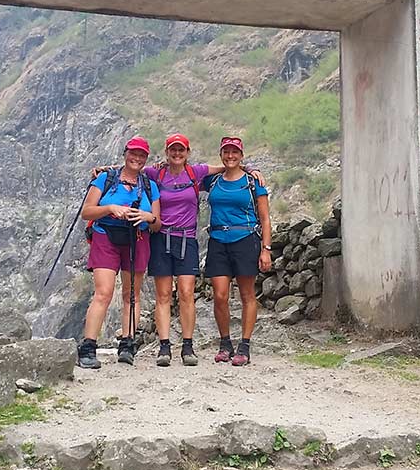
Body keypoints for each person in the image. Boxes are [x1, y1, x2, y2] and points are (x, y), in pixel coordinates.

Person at [106, 134, 265, 367]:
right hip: (160, 238)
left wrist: (250, 168)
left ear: (187, 152)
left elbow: (227, 165)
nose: (177, 154)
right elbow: (131, 169)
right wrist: (105, 170)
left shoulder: (196, 172)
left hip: (187, 239)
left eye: (181, 150)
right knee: (163, 296)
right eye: (173, 150)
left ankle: (188, 347)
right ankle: (164, 346)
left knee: (187, 293)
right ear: (167, 152)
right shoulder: (155, 173)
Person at [75, 137, 161, 370]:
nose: (137, 158)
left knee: (132, 294)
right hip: (106, 237)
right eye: (133, 153)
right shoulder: (106, 178)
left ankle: (127, 344)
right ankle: (88, 347)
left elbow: (157, 223)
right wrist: (111, 209)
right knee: (103, 292)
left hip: (137, 239)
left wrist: (147, 217)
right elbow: (87, 212)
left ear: (146, 159)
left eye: (142, 155)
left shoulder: (150, 185)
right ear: (125, 153)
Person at [202, 136, 272, 367]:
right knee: (220, 295)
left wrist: (266, 249)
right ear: (221, 155)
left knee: (247, 294)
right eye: (226, 152)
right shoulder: (212, 180)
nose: (230, 156)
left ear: (241, 155)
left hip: (245, 239)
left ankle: (244, 345)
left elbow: (265, 218)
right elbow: (184, 175)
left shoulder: (253, 182)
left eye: (235, 152)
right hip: (218, 240)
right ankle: (225, 343)